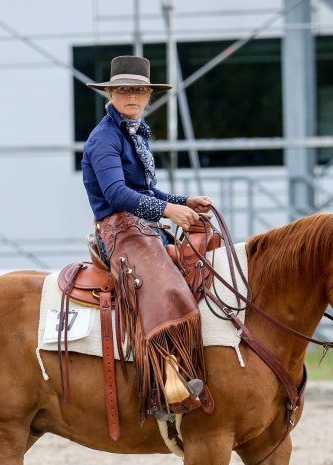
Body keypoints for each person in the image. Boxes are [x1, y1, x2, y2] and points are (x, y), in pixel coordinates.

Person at [81, 55, 211, 417]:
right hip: (119, 228)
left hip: (143, 225)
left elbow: (145, 190)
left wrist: (185, 201)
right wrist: (170, 212)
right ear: (111, 93)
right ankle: (162, 382)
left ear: (148, 95)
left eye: (138, 90)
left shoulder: (132, 132)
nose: (132, 96)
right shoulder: (104, 139)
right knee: (161, 284)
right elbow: (118, 194)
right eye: (124, 89)